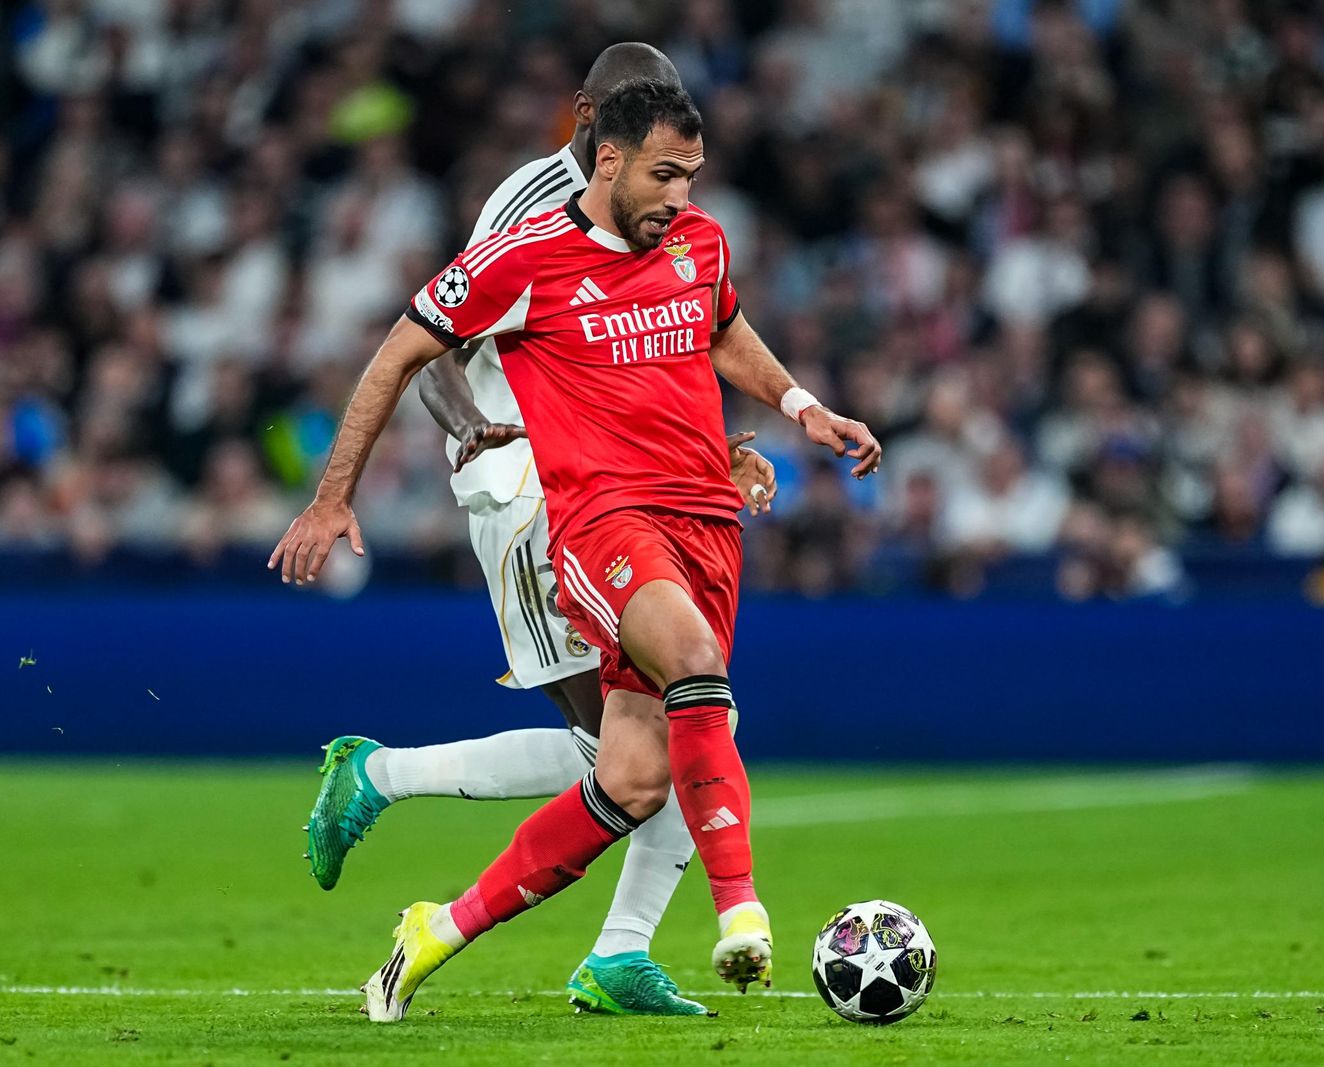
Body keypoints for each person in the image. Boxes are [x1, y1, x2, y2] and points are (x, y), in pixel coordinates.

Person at [269, 78, 881, 1022]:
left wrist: (793, 411)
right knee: (691, 686)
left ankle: (452, 917)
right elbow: (413, 351)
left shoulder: (694, 239)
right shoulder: (524, 230)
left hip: (694, 519)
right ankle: (730, 915)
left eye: (693, 174)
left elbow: (698, 334)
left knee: (633, 767)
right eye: (667, 173)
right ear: (604, 147)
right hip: (548, 502)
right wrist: (350, 488)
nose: (683, 193)